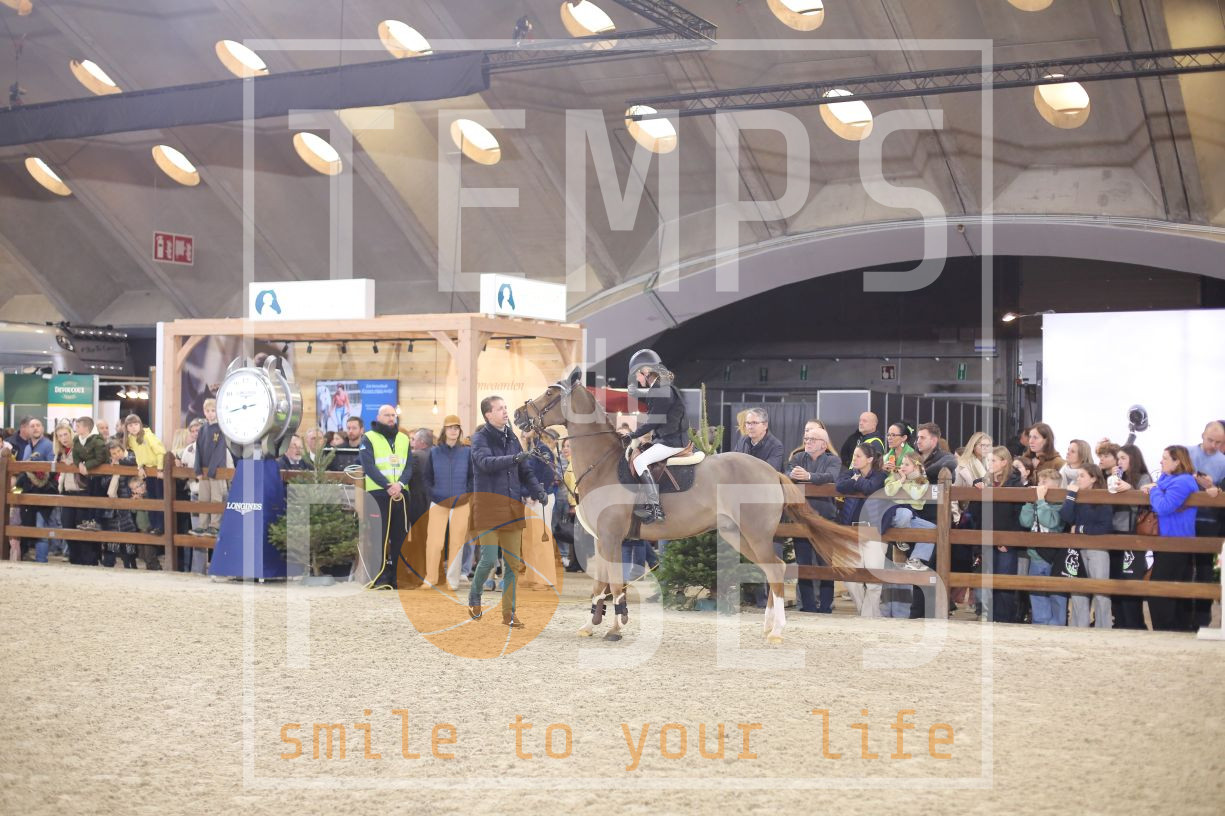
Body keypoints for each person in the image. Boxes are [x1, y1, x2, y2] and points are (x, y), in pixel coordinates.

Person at [468, 395, 547, 627]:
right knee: (488, 560)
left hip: (512, 508)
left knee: (512, 565)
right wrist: (514, 458)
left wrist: (537, 490)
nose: (505, 412)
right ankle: (475, 595)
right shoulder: (479, 438)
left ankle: (508, 614)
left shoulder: (512, 437)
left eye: (505, 407)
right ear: (488, 414)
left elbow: (525, 470)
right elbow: (485, 463)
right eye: (500, 408)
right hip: (488, 508)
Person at [620, 349, 689, 523]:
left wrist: (631, 435)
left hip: (671, 441)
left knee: (639, 461)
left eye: (637, 374)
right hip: (667, 439)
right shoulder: (660, 387)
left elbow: (653, 422)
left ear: (645, 370)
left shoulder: (661, 390)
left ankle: (655, 508)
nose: (637, 379)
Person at [1141, 445, 1200, 631]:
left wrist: (1153, 490)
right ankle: (1175, 629)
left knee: (1161, 590)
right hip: (1168, 542)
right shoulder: (1168, 479)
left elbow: (1163, 507)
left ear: (1177, 462)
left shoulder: (1183, 481)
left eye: (1165, 458)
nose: (1161, 461)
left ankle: (1169, 630)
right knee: (1171, 588)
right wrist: (1156, 488)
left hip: (1177, 542)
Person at [787, 425, 840, 613]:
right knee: (803, 563)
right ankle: (808, 605)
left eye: (812, 439)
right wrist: (792, 475)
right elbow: (786, 474)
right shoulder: (797, 458)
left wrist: (808, 476)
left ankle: (826, 606)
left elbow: (831, 476)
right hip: (801, 518)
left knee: (825, 563)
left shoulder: (833, 460)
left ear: (823, 445)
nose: (807, 442)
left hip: (825, 518)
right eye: (806, 439)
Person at [359, 405, 412, 590]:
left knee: (400, 537)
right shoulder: (368, 438)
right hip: (379, 493)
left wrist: (400, 484)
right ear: (378, 417)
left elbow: (409, 466)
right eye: (387, 415)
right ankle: (379, 576)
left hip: (401, 494)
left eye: (393, 415)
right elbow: (369, 466)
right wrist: (388, 485)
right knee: (378, 536)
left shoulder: (404, 439)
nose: (391, 418)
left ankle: (398, 577)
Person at [972, 446, 1024, 623]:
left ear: (1004, 462)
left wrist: (1009, 540)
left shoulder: (1015, 485)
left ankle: (1005, 620)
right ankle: (991, 617)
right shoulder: (982, 482)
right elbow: (974, 513)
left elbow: (1019, 515)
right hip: (986, 539)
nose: (989, 463)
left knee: (1004, 582)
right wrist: (977, 491)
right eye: (988, 460)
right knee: (988, 581)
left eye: (993, 460)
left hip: (1005, 541)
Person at [836, 443, 888, 617]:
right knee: (851, 578)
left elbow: (871, 488)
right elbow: (840, 486)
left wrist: (857, 481)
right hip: (851, 530)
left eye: (858, 456)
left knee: (873, 578)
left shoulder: (881, 475)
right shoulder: (849, 473)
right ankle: (866, 613)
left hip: (874, 531)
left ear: (870, 459)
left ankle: (870, 617)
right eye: (854, 456)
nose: (854, 459)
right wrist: (856, 480)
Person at [1061, 463, 1113, 628]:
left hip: (1097, 549)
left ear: (1093, 478)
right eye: (1078, 475)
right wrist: (1071, 495)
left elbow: (1105, 526)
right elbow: (1066, 516)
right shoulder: (1078, 496)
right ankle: (1078, 628)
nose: (1078, 479)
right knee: (1078, 591)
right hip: (1078, 548)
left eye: (1082, 476)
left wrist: (1080, 529)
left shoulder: (1102, 497)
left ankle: (1104, 628)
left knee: (1100, 591)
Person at [425, 416, 474, 592]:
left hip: (461, 503)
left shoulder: (467, 452)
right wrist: (433, 494)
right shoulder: (434, 452)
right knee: (434, 543)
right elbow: (427, 478)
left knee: (457, 543)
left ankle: (452, 581)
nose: (453, 431)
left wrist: (466, 495)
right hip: (438, 502)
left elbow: (472, 477)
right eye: (450, 427)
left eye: (456, 428)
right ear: (444, 430)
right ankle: (430, 578)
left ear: (460, 431)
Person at [1108, 444, 1152, 629]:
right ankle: (1119, 621)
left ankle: (1135, 624)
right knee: (1115, 579)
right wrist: (1112, 480)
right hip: (1114, 533)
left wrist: (1131, 489)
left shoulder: (1144, 477)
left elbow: (1144, 506)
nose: (1119, 462)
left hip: (1132, 534)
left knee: (1130, 580)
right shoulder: (1117, 478)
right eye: (1118, 458)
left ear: (1133, 459)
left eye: (1123, 458)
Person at [1020, 469, 1068, 625]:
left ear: (1056, 486)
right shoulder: (1037, 502)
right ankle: (1040, 622)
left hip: (1055, 555)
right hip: (1036, 554)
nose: (1040, 485)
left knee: (1057, 592)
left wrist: (1040, 501)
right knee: (1037, 591)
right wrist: (1029, 502)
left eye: (1044, 482)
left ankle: (1057, 624)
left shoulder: (1060, 504)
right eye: (1039, 481)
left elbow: (1051, 522)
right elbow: (1025, 522)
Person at [54, 423, 96, 566]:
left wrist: (70, 462)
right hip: (67, 492)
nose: (63, 438)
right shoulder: (60, 452)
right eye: (60, 436)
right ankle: (75, 559)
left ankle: (88, 561)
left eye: (65, 434)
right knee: (67, 526)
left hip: (82, 491)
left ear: (71, 433)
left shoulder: (80, 446)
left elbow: (87, 460)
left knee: (82, 527)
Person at [17, 418, 55, 562]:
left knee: (41, 524)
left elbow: (52, 468)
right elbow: (23, 469)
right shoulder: (28, 447)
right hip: (29, 492)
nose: (35, 428)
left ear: (42, 428)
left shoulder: (48, 445)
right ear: (28, 429)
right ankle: (28, 555)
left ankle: (41, 559)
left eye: (38, 425)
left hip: (44, 491)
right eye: (32, 426)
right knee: (28, 522)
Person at [124, 414, 167, 537]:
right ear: (126, 428)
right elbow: (138, 454)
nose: (133, 427)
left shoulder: (148, 436)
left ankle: (160, 526)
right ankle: (153, 525)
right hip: (147, 471)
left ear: (140, 425)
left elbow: (161, 452)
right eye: (130, 425)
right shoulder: (131, 439)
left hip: (157, 470)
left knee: (159, 499)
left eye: (136, 424)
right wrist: (140, 466)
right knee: (151, 498)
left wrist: (160, 469)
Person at [193, 398, 230, 537]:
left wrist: (212, 470)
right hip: (204, 471)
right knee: (203, 498)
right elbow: (198, 449)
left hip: (217, 471)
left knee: (216, 498)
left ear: (218, 411)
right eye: (207, 411)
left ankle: (214, 525)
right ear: (204, 412)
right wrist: (197, 468)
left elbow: (219, 451)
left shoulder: (221, 428)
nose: (210, 413)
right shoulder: (203, 428)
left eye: (213, 410)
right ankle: (202, 525)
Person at [100, 440, 139, 570]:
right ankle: (109, 563)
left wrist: (119, 464)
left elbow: (134, 462)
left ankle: (131, 564)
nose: (117, 455)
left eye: (118, 451)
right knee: (112, 536)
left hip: (127, 504)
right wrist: (113, 471)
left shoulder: (130, 458)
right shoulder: (109, 465)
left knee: (129, 537)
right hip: (113, 505)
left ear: (123, 450)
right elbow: (104, 484)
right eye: (114, 453)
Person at [71, 416, 107, 533]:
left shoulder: (97, 441)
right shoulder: (77, 440)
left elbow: (100, 458)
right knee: (90, 496)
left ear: (86, 428)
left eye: (78, 426)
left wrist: (86, 465)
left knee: (98, 497)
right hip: (88, 475)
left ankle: (96, 521)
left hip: (101, 475)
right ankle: (90, 520)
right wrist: (79, 464)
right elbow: (75, 455)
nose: (75, 428)